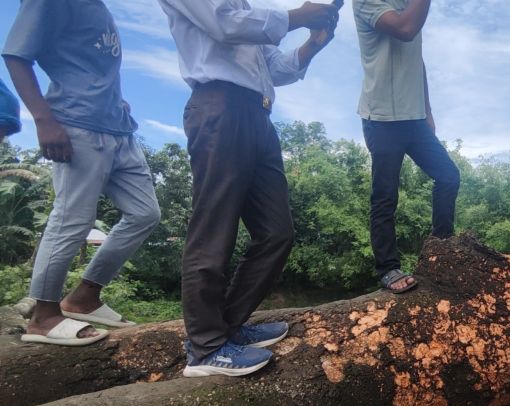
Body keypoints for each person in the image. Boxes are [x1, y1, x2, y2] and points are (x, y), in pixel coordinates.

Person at [157, 0, 342, 377]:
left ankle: (229, 326)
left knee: (277, 232)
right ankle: (206, 347)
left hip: (258, 114)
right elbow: (225, 24)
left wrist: (314, 44)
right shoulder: (231, 10)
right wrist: (298, 16)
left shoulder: (245, 7)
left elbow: (278, 68)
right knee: (214, 230)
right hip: (220, 107)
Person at [4, 0, 161, 346]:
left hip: (119, 129)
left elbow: (94, 69)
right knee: (72, 218)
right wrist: (44, 120)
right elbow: (16, 56)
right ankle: (43, 317)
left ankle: (84, 297)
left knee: (145, 213)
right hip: (76, 126)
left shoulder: (99, 6)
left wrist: (115, 103)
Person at [353, 0, 460, 294]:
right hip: (382, 118)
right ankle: (388, 268)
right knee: (385, 196)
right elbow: (405, 29)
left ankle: (441, 250)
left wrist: (427, 109)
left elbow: (417, 61)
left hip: (413, 119)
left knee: (449, 176)